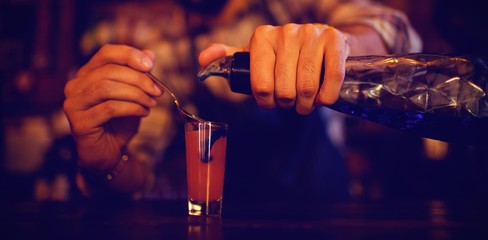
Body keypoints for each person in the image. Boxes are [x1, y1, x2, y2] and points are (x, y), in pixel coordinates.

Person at [63, 0, 422, 201]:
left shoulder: (291, 6)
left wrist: (344, 46)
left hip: (325, 212)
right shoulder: (161, 47)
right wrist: (105, 162)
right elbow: (139, 174)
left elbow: (397, 30)